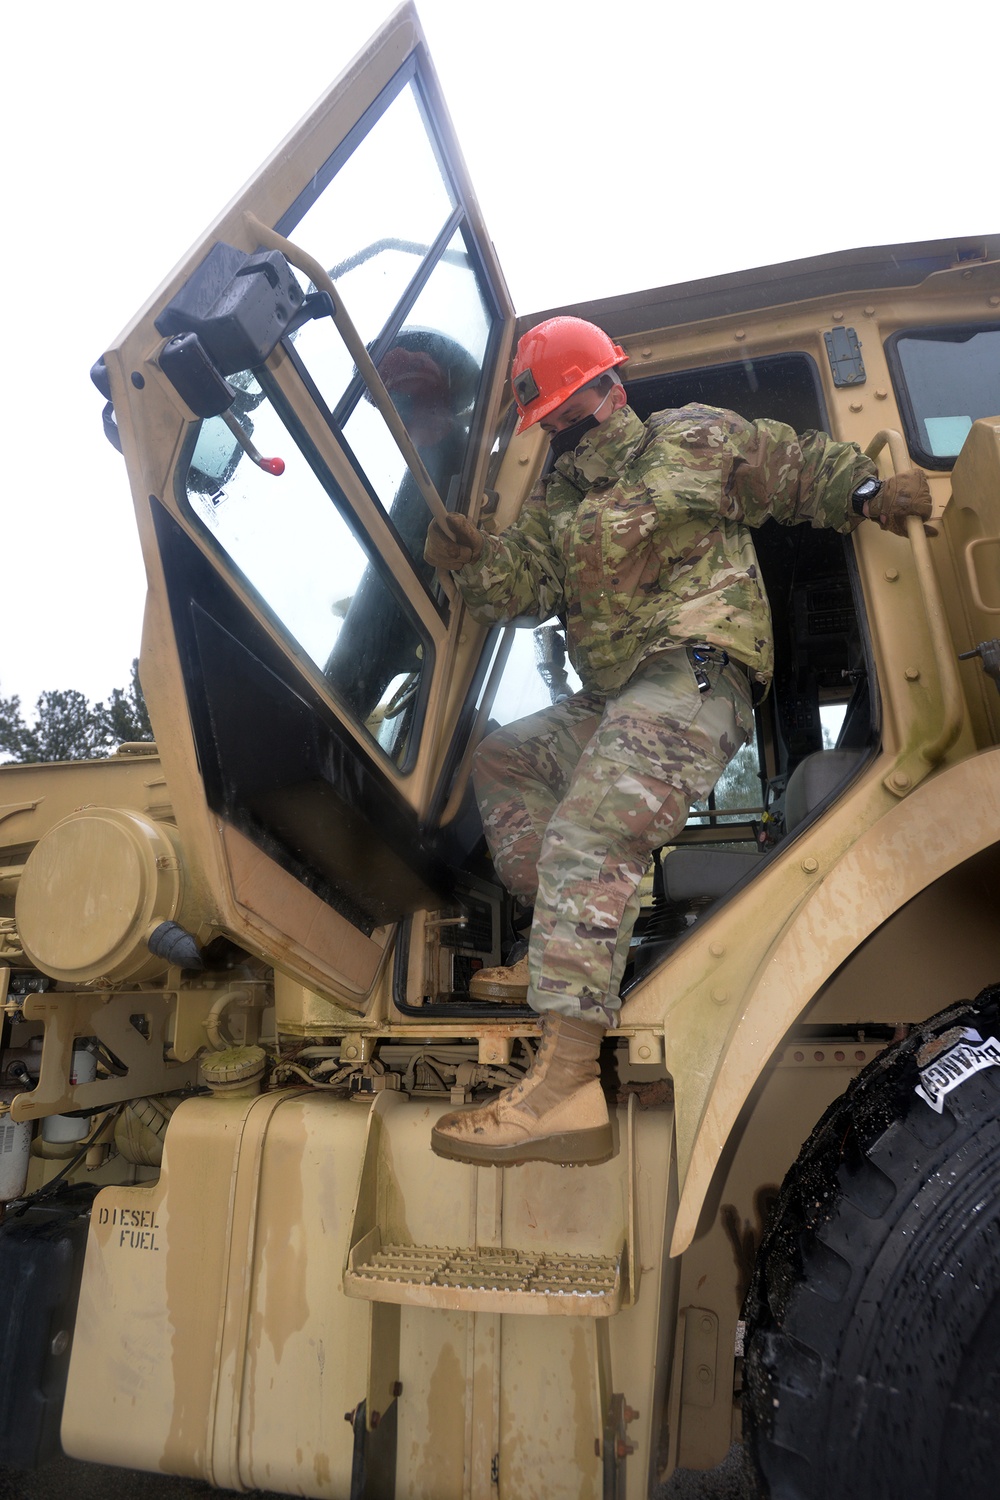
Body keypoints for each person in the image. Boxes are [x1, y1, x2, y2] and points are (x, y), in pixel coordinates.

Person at [422, 316, 934, 1168]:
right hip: (621, 689)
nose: (557, 429)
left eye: (562, 409)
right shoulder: (560, 501)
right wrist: (472, 560)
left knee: (595, 825)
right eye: (545, 422)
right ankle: (565, 943)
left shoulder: (693, 435)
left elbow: (797, 470)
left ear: (604, 388)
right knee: (507, 757)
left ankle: (566, 1088)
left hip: (698, 666)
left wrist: (870, 494)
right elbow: (525, 588)